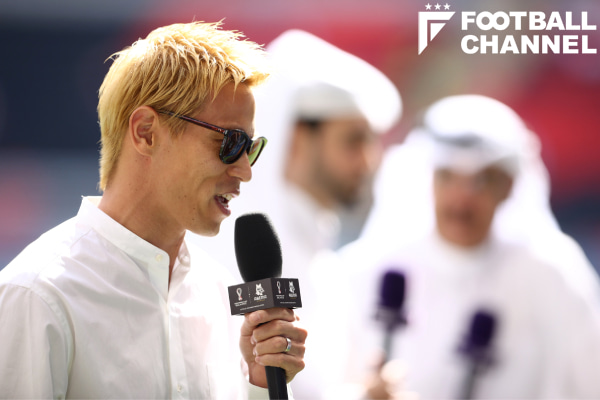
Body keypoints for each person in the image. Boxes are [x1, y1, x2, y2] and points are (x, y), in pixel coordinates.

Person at [0, 22, 307, 399]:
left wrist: (259, 384)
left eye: (251, 148)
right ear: (146, 132)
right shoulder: (36, 294)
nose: (245, 170)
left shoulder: (219, 292)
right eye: (230, 142)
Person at [324, 95, 600, 399]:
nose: (462, 198)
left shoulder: (552, 275)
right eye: (448, 178)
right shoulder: (366, 269)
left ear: (508, 186)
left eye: (482, 181)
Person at [190, 29, 402, 399]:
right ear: (299, 138)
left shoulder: (327, 266)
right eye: (354, 141)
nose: (369, 162)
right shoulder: (226, 251)